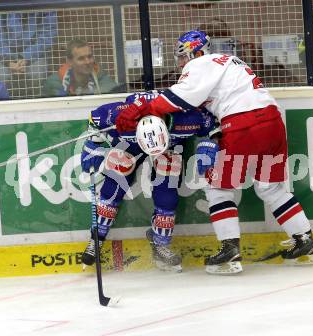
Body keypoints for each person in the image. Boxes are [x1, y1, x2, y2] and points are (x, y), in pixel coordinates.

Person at [115, 31, 313, 275]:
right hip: (273, 123)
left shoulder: (201, 64)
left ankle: (229, 251)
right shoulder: (231, 61)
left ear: (197, 52)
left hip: (244, 126)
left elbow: (178, 99)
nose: (182, 63)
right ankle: (304, 241)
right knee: (271, 187)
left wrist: (141, 109)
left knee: (218, 188)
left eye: (184, 56)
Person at [80, 91, 220, 272]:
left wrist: (211, 143)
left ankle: (161, 244)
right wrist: (93, 145)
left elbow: (213, 126)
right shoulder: (121, 115)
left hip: (169, 145)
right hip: (131, 142)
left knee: (167, 193)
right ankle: (96, 239)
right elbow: (94, 119)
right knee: (115, 179)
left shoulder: (188, 117)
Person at [0, 12, 58, 87]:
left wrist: (25, 58)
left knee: (37, 74)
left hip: (35, 53)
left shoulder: (45, 5)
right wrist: (8, 61)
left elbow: (46, 37)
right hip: (5, 54)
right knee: (0, 76)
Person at [42, 39, 119, 97]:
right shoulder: (55, 83)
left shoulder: (101, 78)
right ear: (70, 62)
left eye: (89, 57)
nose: (87, 62)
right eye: (81, 58)